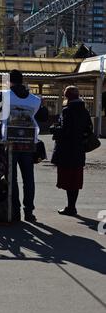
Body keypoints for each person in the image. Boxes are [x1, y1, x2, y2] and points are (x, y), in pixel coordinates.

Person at [0, 70, 42, 223]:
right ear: (22, 81)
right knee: (29, 178)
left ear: (10, 81)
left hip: (9, 141)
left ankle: (15, 211)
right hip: (29, 143)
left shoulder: (5, 95)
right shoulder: (35, 99)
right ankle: (29, 212)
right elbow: (40, 117)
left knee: (12, 178)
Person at [51, 86, 93, 216]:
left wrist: (54, 130)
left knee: (68, 179)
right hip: (79, 150)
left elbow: (64, 131)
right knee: (75, 179)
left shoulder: (67, 111)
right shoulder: (85, 111)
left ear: (67, 97)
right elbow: (89, 129)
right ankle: (72, 206)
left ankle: (70, 207)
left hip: (66, 151)